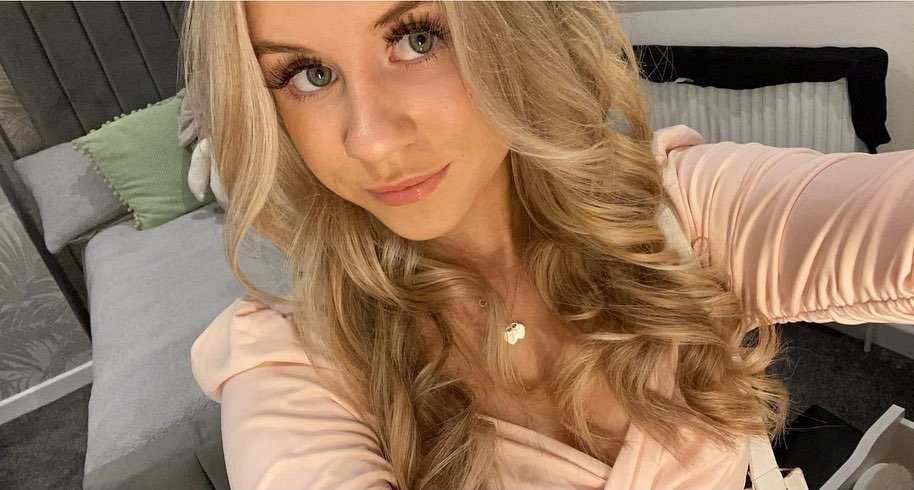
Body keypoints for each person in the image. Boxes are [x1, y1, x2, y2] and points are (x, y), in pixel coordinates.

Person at [181, 1, 914, 488]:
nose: (369, 139)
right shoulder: (299, 365)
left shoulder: (680, 214)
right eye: (307, 75)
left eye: (416, 37)